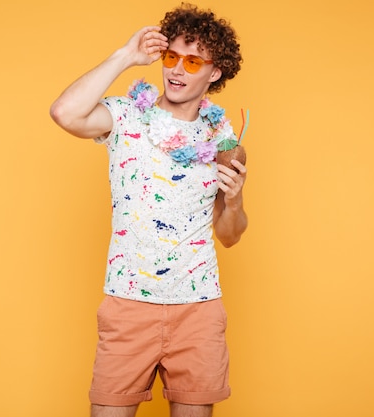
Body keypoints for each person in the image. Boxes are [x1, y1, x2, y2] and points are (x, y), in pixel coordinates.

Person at [49, 3, 247, 417]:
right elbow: (65, 113)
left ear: (215, 72)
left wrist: (234, 199)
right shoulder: (125, 115)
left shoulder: (222, 141)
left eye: (192, 61)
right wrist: (125, 56)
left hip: (198, 308)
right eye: (171, 56)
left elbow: (229, 235)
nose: (176, 69)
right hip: (128, 303)